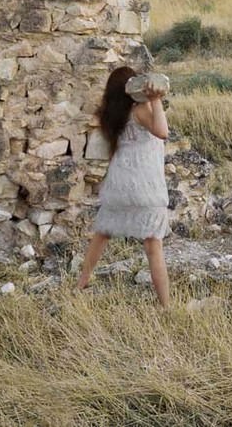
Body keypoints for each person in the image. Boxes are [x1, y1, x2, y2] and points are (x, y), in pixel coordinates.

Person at [76, 66, 171, 306]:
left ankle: (80, 285)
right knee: (153, 246)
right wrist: (155, 99)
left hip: (119, 185)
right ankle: (166, 306)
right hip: (145, 186)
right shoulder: (140, 109)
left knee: (102, 234)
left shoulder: (112, 116)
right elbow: (162, 132)